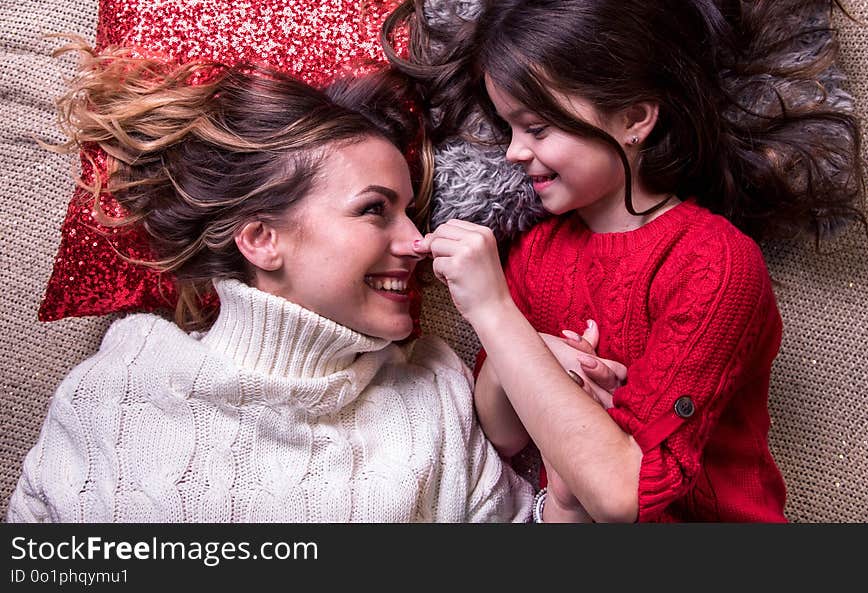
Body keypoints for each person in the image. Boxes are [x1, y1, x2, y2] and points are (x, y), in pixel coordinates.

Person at [388, 0, 868, 522]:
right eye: (507, 127)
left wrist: (494, 312)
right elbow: (500, 435)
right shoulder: (538, 251)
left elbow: (623, 497)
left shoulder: (714, 262)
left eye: (536, 127)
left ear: (634, 117)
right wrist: (532, 357)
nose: (513, 152)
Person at [7, 42, 537, 523]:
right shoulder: (117, 389)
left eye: (413, 216)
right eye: (375, 209)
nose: (417, 243)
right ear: (262, 240)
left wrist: (559, 502)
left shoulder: (437, 392)